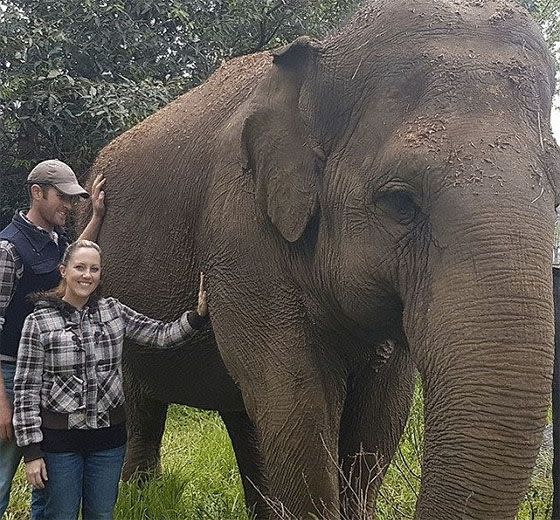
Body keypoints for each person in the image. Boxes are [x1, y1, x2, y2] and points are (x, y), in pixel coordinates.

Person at [12, 240, 209, 520]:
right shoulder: (39, 321)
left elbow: (159, 335)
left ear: (100, 275)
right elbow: (26, 390)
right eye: (79, 267)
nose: (86, 275)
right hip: (59, 445)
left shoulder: (113, 311)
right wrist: (31, 452)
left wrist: (198, 317)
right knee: (60, 515)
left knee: (102, 514)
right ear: (63, 270)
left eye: (94, 269)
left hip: (108, 443)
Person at [0, 159, 106, 518]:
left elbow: (75, 257)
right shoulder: (8, 249)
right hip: (11, 377)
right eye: (61, 196)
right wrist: (1, 402)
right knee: (2, 477)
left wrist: (96, 215)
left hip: (44, 382)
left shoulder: (54, 240)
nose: (69, 205)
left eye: (73, 198)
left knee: (42, 480)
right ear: (37, 193)